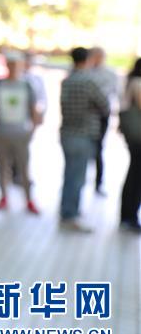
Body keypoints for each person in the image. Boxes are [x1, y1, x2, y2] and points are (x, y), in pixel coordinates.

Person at [58, 47, 110, 233]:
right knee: (77, 177)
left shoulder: (67, 81)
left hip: (67, 133)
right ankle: (70, 215)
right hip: (83, 134)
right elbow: (105, 105)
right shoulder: (89, 81)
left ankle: (67, 210)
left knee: (69, 175)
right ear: (87, 60)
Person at [0, 52, 41, 214]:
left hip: (21, 133)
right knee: (2, 167)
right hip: (1, 132)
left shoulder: (27, 85)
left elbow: (34, 109)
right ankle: (3, 197)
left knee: (24, 168)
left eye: (16, 64)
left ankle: (29, 199)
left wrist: (33, 129)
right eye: (10, 64)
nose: (13, 67)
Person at [88, 47, 118, 195]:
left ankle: (98, 183)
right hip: (87, 115)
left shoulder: (109, 74)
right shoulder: (86, 72)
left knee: (98, 148)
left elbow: (110, 94)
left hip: (101, 115)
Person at [118, 58, 141, 233]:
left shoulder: (131, 81)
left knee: (134, 175)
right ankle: (129, 216)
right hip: (138, 138)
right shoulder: (138, 83)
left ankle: (129, 215)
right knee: (136, 177)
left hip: (135, 138)